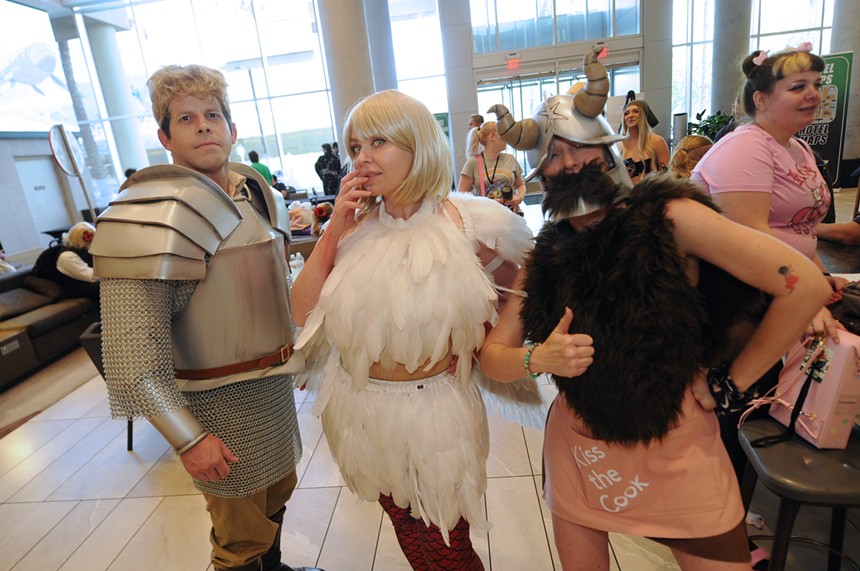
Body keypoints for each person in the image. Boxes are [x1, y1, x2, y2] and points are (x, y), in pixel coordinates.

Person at [479, 46, 832, 571]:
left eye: (580, 145)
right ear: (539, 173)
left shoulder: (668, 216)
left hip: (677, 442)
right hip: (580, 447)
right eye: (553, 154)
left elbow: (802, 285)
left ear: (608, 147)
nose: (571, 161)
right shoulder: (547, 253)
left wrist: (728, 384)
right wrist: (539, 359)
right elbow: (492, 358)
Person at [89, 64, 320, 571]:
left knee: (275, 498)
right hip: (213, 408)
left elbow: (273, 293)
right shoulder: (146, 218)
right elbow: (132, 359)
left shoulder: (257, 196)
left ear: (233, 129)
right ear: (164, 136)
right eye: (186, 117)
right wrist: (189, 440)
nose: (203, 126)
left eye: (213, 115)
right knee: (238, 537)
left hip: (270, 391)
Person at [291, 89, 533, 570]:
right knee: (408, 531)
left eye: (379, 142)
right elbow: (302, 313)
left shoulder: (473, 223)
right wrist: (334, 228)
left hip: (436, 414)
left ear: (417, 145)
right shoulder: (353, 227)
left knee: (448, 547)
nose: (363, 158)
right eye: (356, 146)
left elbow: (521, 290)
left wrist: (492, 350)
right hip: (359, 410)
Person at [457, 120, 527, 213]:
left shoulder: (511, 159)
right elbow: (461, 195)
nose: (507, 138)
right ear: (492, 137)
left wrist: (519, 198)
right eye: (502, 135)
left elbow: (520, 185)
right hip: (486, 217)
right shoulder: (473, 163)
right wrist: (484, 202)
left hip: (512, 215)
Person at [32, 221, 99, 302]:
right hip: (75, 287)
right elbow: (90, 276)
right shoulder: (67, 256)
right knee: (105, 286)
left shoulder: (83, 249)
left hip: (85, 280)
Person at [618, 99, 670, 184]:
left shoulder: (656, 141)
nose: (630, 116)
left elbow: (666, 175)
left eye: (636, 111)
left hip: (651, 193)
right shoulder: (620, 145)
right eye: (626, 113)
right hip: (627, 194)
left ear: (643, 115)